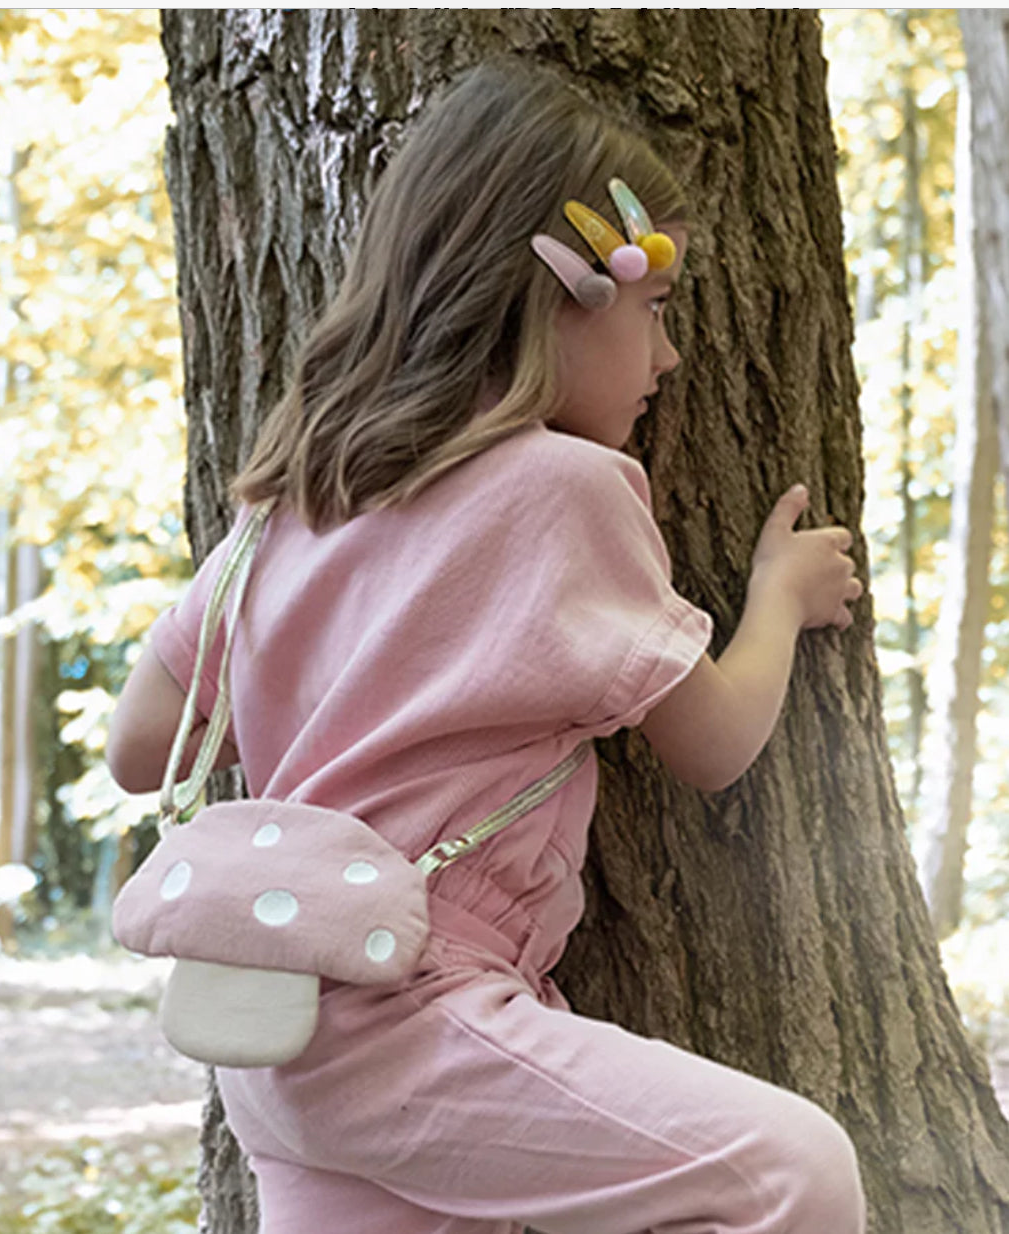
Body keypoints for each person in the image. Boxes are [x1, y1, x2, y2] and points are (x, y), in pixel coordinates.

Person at [107, 59, 866, 1234]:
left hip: (269, 1036)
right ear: (559, 294)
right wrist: (775, 598)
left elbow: (137, 747)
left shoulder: (293, 500)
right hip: (409, 1010)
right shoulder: (569, 487)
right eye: (656, 310)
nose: (669, 362)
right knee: (792, 1170)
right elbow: (712, 742)